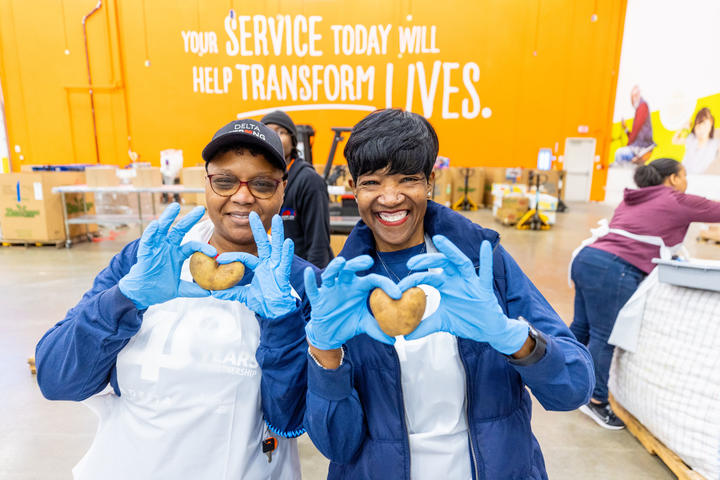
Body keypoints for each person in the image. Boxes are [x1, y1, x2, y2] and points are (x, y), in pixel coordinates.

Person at [301, 109, 594, 480]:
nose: (390, 198)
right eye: (372, 182)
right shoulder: (342, 290)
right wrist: (326, 354)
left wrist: (512, 337)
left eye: (408, 179)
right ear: (353, 187)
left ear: (430, 182)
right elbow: (337, 446)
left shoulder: (482, 262)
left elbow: (573, 388)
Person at [35, 119, 318, 479]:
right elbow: (57, 378)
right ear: (207, 183)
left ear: (282, 190)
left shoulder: (299, 283)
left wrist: (281, 323)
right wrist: (126, 299)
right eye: (225, 180)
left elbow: (289, 419)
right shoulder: (147, 259)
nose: (243, 196)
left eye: (262, 184)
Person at [570, 158, 720, 429]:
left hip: (587, 259)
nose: (686, 182)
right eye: (684, 176)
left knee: (582, 328)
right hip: (615, 269)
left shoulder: (632, 199)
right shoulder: (676, 199)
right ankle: (594, 400)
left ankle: (566, 383)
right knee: (604, 336)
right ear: (673, 178)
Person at [262, 110, 333, 268]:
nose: (275, 137)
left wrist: (314, 281)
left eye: (281, 132)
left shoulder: (309, 181)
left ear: (293, 141)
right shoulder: (257, 181)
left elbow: (318, 242)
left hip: (299, 274)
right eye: (269, 132)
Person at [672, 107, 720, 174]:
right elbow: (675, 140)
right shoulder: (691, 139)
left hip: (700, 177)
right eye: (698, 126)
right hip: (683, 174)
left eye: (705, 126)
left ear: (710, 126)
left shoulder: (714, 144)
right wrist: (682, 128)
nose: (701, 130)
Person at [615, 85, 655, 166]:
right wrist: (626, 128)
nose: (634, 99)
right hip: (639, 146)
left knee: (619, 153)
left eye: (635, 95)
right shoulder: (640, 108)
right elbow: (634, 135)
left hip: (642, 148)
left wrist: (629, 145)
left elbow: (636, 129)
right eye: (633, 96)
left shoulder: (642, 106)